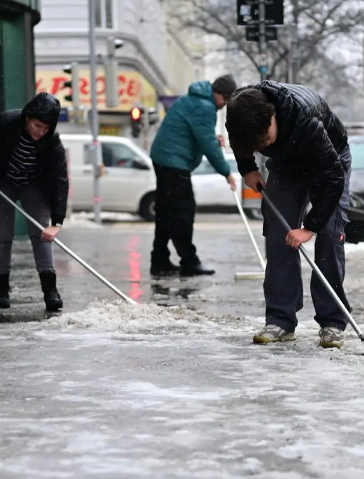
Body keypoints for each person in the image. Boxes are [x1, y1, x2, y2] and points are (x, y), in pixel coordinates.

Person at [226, 81, 353, 349]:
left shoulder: (306, 120)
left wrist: (310, 227)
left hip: (329, 164)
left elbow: (333, 178)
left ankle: (332, 321)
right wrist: (248, 168)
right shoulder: (238, 111)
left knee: (329, 234)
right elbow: (238, 142)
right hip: (287, 165)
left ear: (273, 114)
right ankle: (280, 319)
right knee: (277, 230)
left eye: (265, 136)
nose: (262, 143)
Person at [0, 92, 69, 312]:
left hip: (34, 184)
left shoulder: (52, 143)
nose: (40, 132)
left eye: (45, 128)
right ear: (27, 117)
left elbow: (60, 182)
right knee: (3, 236)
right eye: (37, 125)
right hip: (3, 180)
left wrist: (57, 222)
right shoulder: (7, 122)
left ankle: (50, 292)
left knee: (41, 234)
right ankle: (1, 290)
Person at [147, 75, 239, 276]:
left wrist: (212, 139)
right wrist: (226, 172)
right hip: (173, 163)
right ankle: (189, 261)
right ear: (218, 94)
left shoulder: (193, 99)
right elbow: (206, 144)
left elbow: (193, 134)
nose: (223, 106)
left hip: (164, 158)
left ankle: (159, 259)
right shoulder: (204, 107)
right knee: (183, 212)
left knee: (165, 213)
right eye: (225, 100)